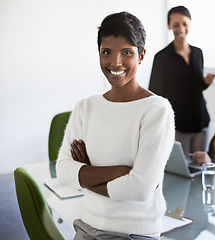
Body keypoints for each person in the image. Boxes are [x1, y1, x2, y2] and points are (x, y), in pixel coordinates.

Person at [56, 12, 175, 240]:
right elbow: (63, 171)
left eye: (127, 53)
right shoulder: (85, 107)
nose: (115, 62)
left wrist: (85, 176)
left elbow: (139, 189)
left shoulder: (157, 110)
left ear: (141, 55)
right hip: (85, 225)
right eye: (107, 52)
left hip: (133, 233)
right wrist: (121, 173)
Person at [148, 6, 215, 157]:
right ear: (169, 26)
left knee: (200, 166)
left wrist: (205, 81)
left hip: (201, 122)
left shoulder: (198, 53)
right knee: (182, 170)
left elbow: (197, 86)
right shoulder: (162, 58)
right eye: (176, 24)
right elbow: (155, 94)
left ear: (190, 24)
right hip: (178, 126)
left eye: (185, 24)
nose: (181, 28)